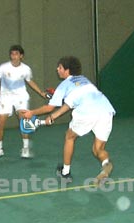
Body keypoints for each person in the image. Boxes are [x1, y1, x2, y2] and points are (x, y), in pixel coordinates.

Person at [23, 56, 115, 184]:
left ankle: (65, 172)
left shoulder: (64, 85)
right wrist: (53, 117)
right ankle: (106, 165)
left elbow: (49, 107)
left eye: (60, 67)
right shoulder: (84, 80)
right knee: (98, 149)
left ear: (67, 70)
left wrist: (31, 113)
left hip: (86, 112)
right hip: (106, 110)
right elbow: (68, 105)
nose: (57, 69)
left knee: (69, 137)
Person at [0, 45, 46, 158]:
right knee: (1, 122)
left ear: (21, 56)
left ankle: (25, 148)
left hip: (20, 96)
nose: (13, 56)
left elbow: (30, 81)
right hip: (5, 96)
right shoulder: (3, 68)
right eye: (12, 54)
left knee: (24, 121)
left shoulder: (26, 69)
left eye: (16, 54)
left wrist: (40, 92)